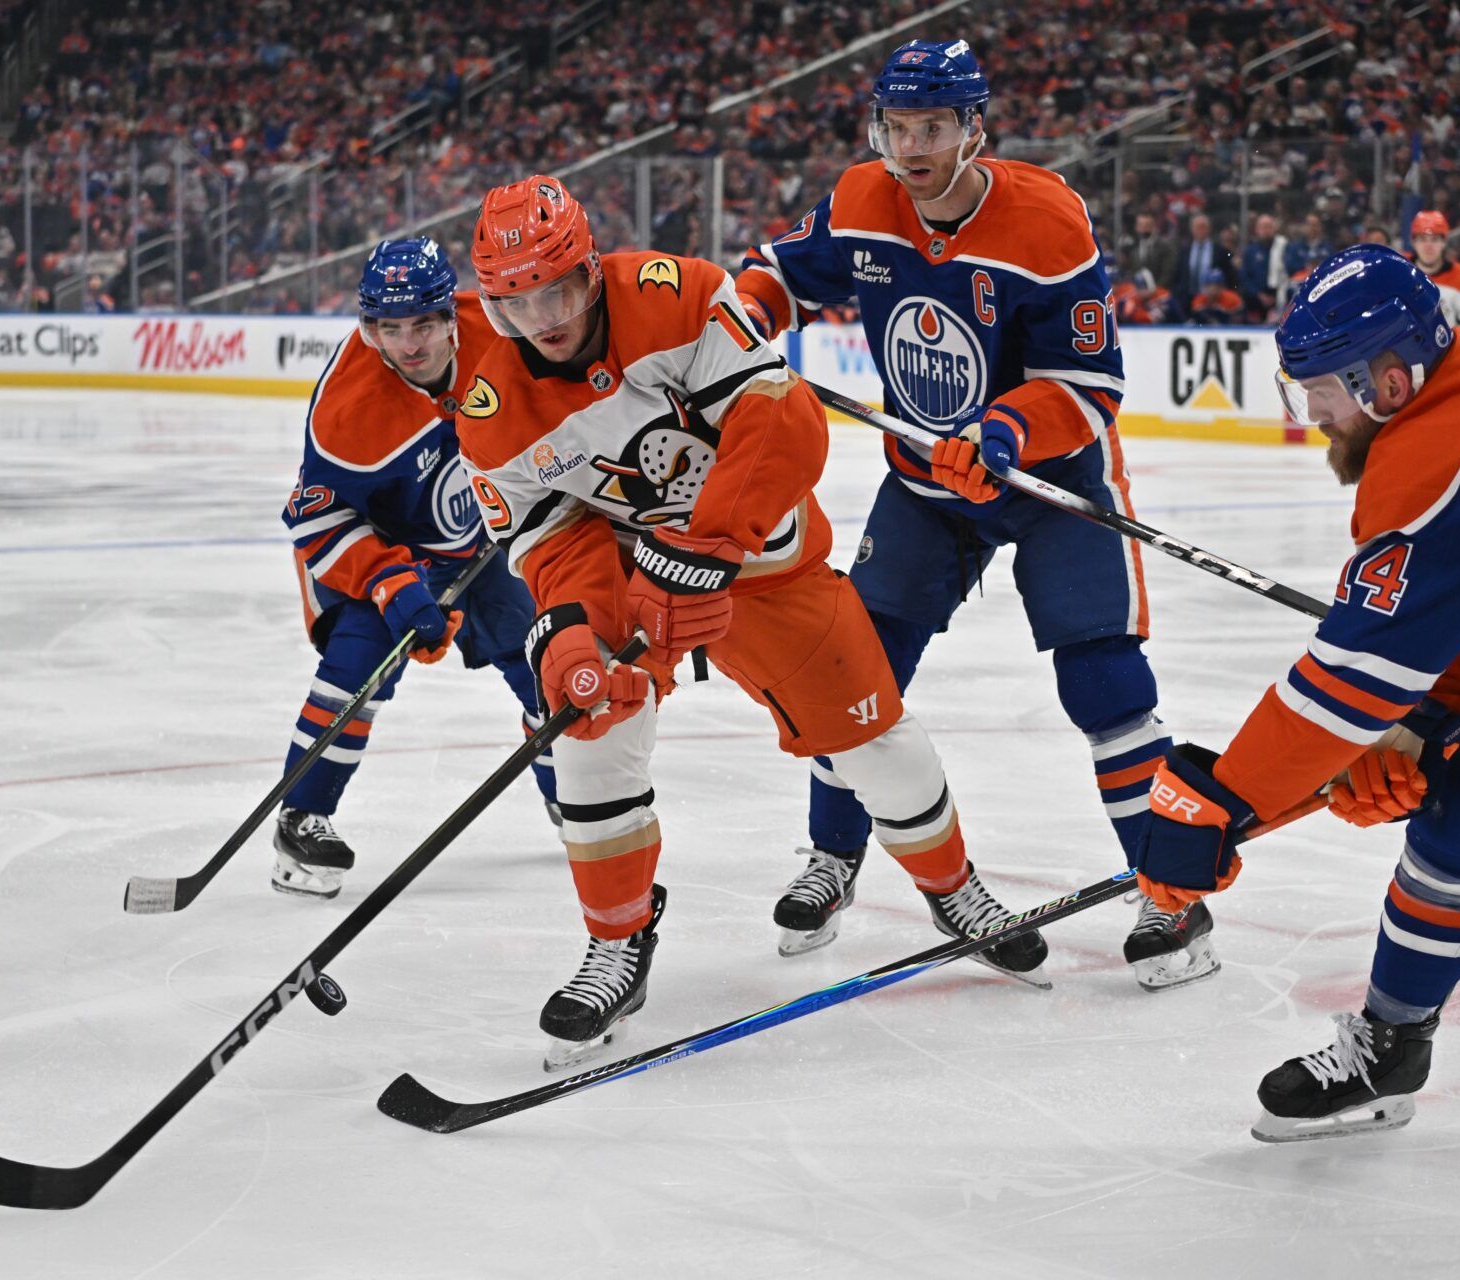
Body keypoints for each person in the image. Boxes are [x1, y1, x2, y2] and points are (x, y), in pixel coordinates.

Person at [458, 174, 1046, 1070]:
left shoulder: (680, 295)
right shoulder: (488, 406)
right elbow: (544, 536)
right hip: (621, 572)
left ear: (590, 268)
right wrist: (573, 632)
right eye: (516, 304)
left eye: (558, 291)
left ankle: (951, 886)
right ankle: (618, 942)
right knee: (585, 725)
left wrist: (703, 549)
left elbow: (785, 420)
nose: (541, 319)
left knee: (874, 736)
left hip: (761, 555)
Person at [1134, 245, 1460, 1141]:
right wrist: (1424, 717)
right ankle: (1392, 1045)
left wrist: (1227, 801)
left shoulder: (1441, 458)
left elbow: (1350, 680)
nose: (1313, 419)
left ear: (1386, 379)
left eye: (1323, 393)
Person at [734, 40, 1207, 992]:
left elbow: (1090, 386)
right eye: (896, 127)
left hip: (1046, 488)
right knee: (850, 675)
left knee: (1106, 683)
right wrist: (744, 319)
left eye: (932, 127)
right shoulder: (863, 198)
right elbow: (779, 271)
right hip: (922, 484)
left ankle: (1172, 898)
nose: (910, 147)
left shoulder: (1046, 219)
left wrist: (1003, 429)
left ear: (973, 129)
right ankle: (833, 859)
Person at [272, 238, 557, 898]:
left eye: (423, 324)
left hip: (481, 531)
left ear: (450, 315)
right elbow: (316, 519)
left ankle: (570, 792)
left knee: (544, 655)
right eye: (389, 329)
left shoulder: (500, 328)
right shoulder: (350, 413)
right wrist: (389, 581)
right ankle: (303, 816)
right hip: (382, 544)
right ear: (369, 328)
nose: (409, 344)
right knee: (359, 667)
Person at [1406, 210, 1460, 329]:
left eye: (1434, 239)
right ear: (1413, 242)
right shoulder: (1398, 273)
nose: (1428, 246)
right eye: (1422, 239)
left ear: (1444, 242)